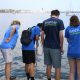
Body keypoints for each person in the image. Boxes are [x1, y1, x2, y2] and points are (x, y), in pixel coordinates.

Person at [41, 10, 64, 80]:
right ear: (58, 15)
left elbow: (42, 35)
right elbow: (61, 35)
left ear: (51, 14)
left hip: (46, 46)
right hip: (55, 47)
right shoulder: (59, 21)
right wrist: (61, 46)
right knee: (57, 68)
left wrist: (43, 44)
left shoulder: (44, 22)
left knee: (48, 65)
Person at [65, 15, 80, 80]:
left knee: (71, 71)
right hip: (79, 52)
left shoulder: (68, 28)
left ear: (70, 21)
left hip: (70, 52)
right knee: (79, 72)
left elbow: (68, 40)